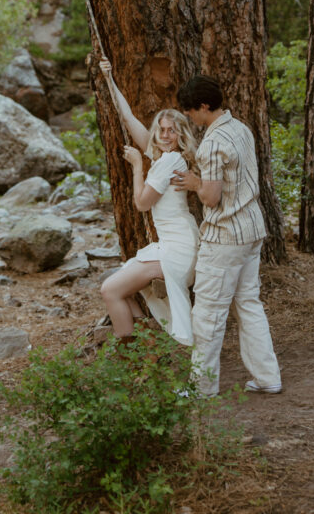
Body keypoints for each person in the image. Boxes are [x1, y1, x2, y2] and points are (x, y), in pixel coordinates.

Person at [174, 74, 282, 396]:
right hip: (251, 229)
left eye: (191, 111)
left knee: (208, 313)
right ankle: (267, 377)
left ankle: (202, 388)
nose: (190, 117)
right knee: (249, 303)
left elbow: (210, 197)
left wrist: (194, 184)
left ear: (204, 106)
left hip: (224, 237)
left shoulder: (213, 142)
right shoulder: (241, 129)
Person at [98, 59, 199, 346]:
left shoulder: (169, 160)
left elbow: (142, 203)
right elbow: (128, 117)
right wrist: (109, 79)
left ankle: (132, 356)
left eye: (171, 131)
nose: (164, 135)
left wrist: (136, 167)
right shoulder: (164, 156)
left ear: (180, 135)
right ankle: (147, 348)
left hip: (177, 248)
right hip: (176, 242)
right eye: (161, 130)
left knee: (111, 290)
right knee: (121, 290)